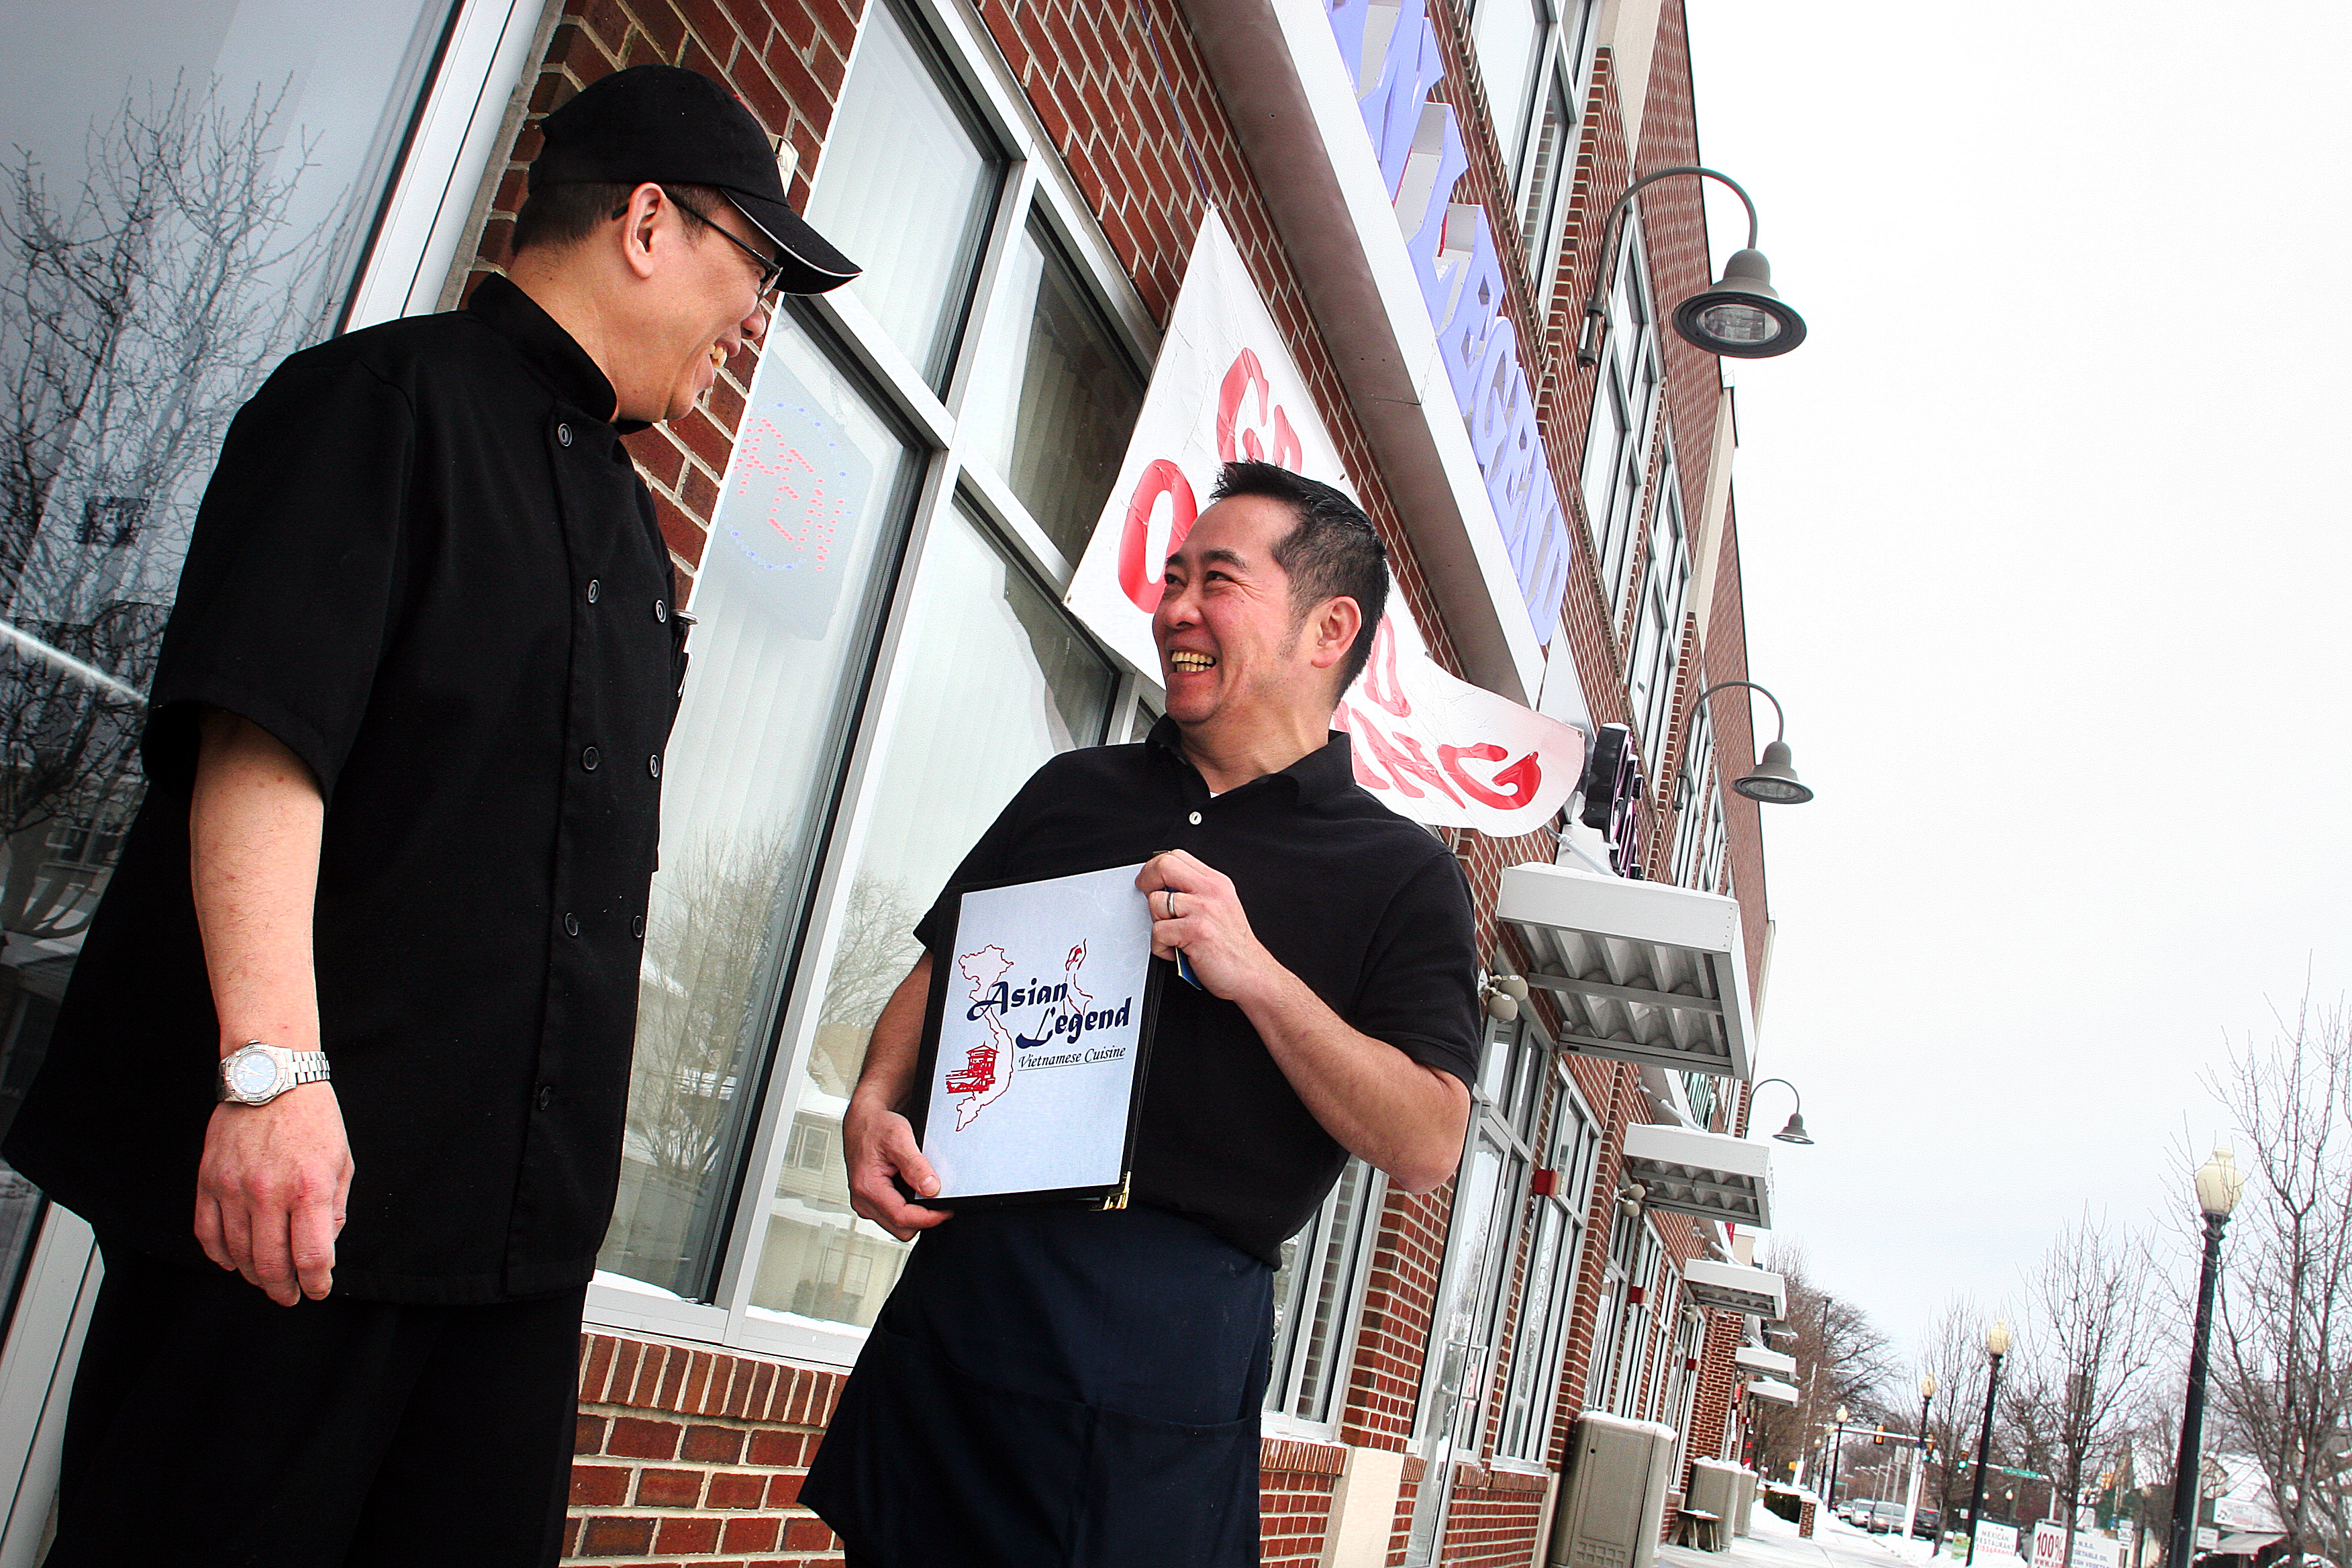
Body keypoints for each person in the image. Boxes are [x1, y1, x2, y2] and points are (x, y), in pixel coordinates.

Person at [1, 65, 856, 1567]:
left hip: (507, 1263)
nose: (755, 318)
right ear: (647, 222)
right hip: (296, 1228)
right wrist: (269, 1076)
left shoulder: (631, 534)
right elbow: (261, 741)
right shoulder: (376, 406)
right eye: (757, 266)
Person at [802, 460, 1482, 1567]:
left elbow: (1428, 1140)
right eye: (1171, 581)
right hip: (973, 1287)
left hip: (1170, 1331)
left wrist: (1254, 970)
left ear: (1329, 629)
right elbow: (945, 974)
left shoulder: (1403, 876)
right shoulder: (1074, 792)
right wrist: (876, 1102)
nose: (1174, 611)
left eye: (1216, 581)